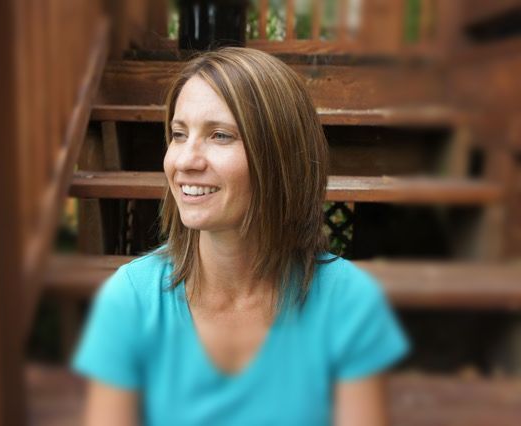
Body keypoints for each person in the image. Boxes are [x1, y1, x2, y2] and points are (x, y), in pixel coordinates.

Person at [71, 47, 409, 426]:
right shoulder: (131, 299)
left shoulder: (348, 303)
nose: (185, 161)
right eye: (179, 134)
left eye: (219, 135)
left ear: (279, 156)